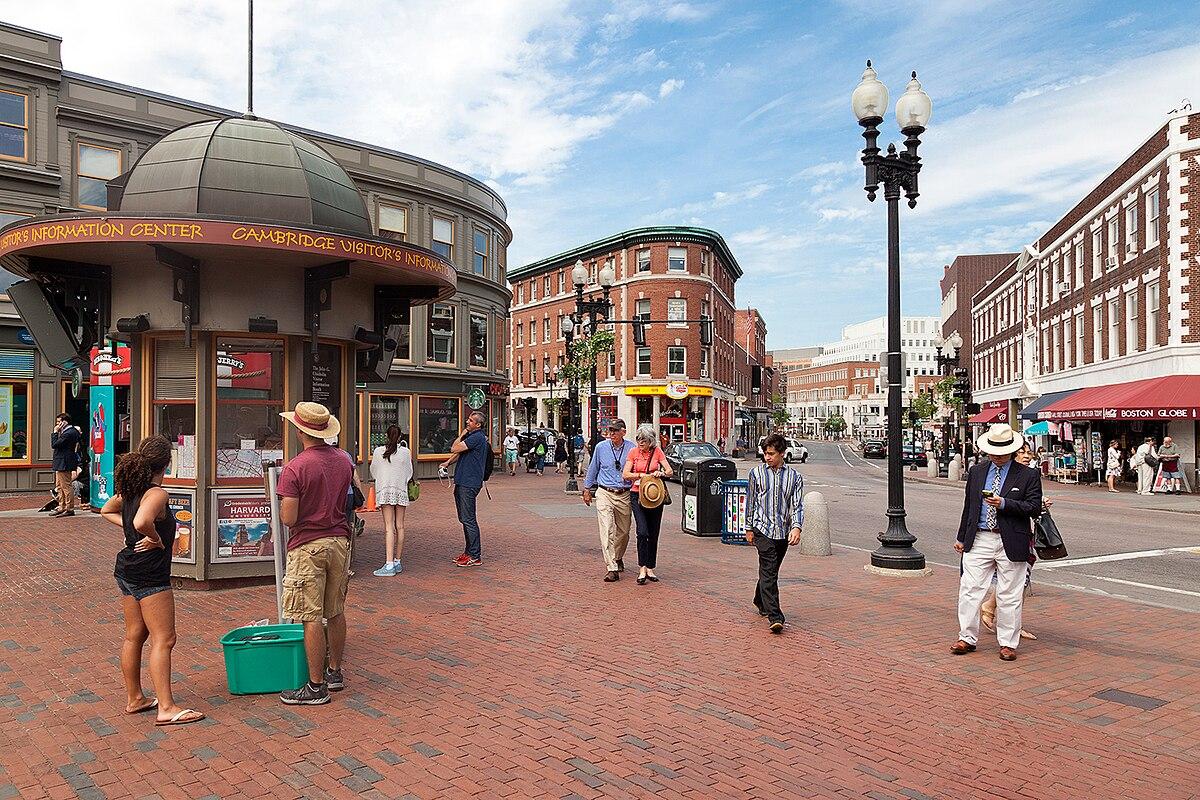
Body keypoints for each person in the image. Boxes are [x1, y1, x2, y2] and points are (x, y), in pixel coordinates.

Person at [100, 435, 205, 726]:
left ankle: (135, 698)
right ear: (167, 464)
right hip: (150, 574)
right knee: (165, 638)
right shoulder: (157, 493)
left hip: (127, 569)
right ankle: (167, 708)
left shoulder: (131, 488)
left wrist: (135, 535)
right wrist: (154, 538)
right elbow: (141, 521)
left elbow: (107, 510)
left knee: (135, 635)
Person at [275, 402, 353, 705]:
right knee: (335, 610)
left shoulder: (296, 467)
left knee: (310, 616)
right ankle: (334, 672)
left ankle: (315, 686)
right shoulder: (343, 461)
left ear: (299, 430)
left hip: (308, 544)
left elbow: (289, 518)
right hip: (339, 540)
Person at [952, 424, 1043, 662]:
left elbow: (1033, 507)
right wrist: (962, 537)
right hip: (980, 536)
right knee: (970, 589)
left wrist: (1004, 503)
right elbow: (969, 507)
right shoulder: (977, 471)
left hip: (1010, 538)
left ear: (1012, 451)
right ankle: (967, 637)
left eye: (1002, 452)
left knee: (1009, 594)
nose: (996, 456)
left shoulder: (1029, 475)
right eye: (992, 451)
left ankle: (1008, 643)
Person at [980, 442, 1047, 641]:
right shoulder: (1000, 474)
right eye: (1021, 452)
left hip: (1020, 534)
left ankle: (998, 613)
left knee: (1019, 581)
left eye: (1028, 452)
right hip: (1003, 535)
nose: (1026, 455)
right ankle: (1002, 618)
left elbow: (1031, 502)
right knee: (1015, 582)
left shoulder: (1029, 475)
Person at [745, 433, 804, 634]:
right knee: (769, 568)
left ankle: (759, 599)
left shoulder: (795, 477)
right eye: (765, 453)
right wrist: (748, 528)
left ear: (782, 453)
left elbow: (797, 506)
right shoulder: (756, 474)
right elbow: (750, 502)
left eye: (771, 454)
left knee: (771, 571)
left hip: (782, 530)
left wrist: (796, 527)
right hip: (762, 528)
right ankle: (775, 616)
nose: (767, 457)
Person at [582, 419, 636, 582]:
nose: (611, 433)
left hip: (624, 493)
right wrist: (586, 488)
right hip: (604, 492)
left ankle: (618, 556)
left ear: (623, 432)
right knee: (606, 530)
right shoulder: (601, 447)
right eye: (610, 430)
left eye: (615, 430)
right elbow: (593, 468)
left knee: (624, 531)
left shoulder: (631, 448)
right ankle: (612, 567)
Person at [623, 425, 674, 585]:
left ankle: (650, 567)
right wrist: (641, 475)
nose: (640, 443)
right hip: (637, 495)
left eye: (643, 441)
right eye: (638, 440)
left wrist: (661, 473)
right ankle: (642, 567)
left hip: (654, 496)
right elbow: (625, 474)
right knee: (642, 531)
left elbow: (670, 471)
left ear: (650, 441)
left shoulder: (657, 452)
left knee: (653, 532)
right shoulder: (633, 453)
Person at [441, 410, 490, 567]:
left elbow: (454, 448)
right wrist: (448, 463)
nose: (467, 422)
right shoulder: (473, 437)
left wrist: (462, 433)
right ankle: (469, 552)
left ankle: (475, 555)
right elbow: (459, 453)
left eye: (470, 420)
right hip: (463, 481)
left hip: (469, 483)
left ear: (478, 424)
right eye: (468, 419)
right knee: (464, 518)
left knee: (468, 519)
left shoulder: (476, 437)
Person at [370, 425, 413, 576]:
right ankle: (397, 561)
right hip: (401, 490)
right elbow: (409, 472)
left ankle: (388, 565)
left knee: (389, 527)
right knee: (400, 526)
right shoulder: (405, 452)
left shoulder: (378, 452)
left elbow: (373, 471)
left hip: (385, 490)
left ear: (387, 436)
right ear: (400, 436)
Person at [50, 413, 81, 517]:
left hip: (64, 462)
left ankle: (69, 508)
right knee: (59, 486)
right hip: (61, 461)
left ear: (65, 422)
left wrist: (55, 433)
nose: (57, 424)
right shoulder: (68, 431)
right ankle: (62, 506)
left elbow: (55, 445)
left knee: (66, 486)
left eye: (59, 422)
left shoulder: (69, 433)